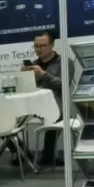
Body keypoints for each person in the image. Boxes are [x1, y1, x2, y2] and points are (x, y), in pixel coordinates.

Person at [25, 30, 75, 166]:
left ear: (52, 45)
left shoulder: (65, 62)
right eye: (36, 46)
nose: (38, 49)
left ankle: (47, 157)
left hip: (56, 105)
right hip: (33, 105)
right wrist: (25, 78)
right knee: (5, 118)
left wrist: (43, 74)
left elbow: (64, 85)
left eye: (42, 46)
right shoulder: (33, 64)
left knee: (54, 116)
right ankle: (22, 153)